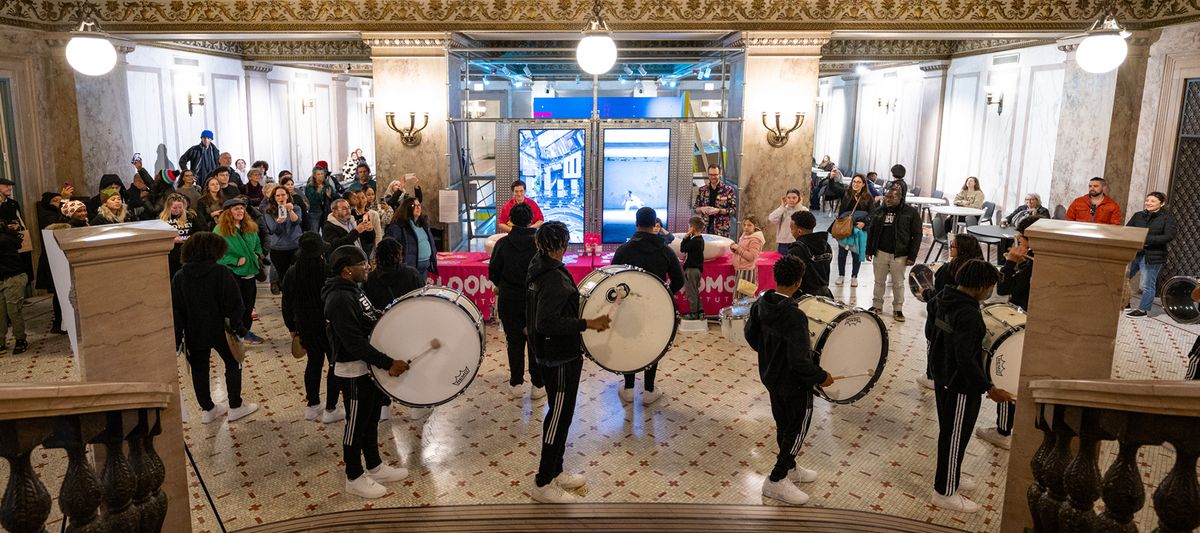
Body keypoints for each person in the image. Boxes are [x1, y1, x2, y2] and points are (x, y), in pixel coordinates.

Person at [525, 221, 611, 503]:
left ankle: (557, 470)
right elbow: (546, 322)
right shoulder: (552, 277)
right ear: (561, 245)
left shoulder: (539, 265)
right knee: (558, 418)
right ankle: (542, 481)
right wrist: (588, 323)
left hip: (553, 355)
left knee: (559, 415)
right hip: (559, 357)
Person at [744, 255, 835, 506]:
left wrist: (770, 356)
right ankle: (777, 479)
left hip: (771, 377)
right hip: (794, 384)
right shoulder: (794, 316)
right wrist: (821, 377)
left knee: (783, 424)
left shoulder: (761, 303)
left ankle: (791, 467)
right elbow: (799, 361)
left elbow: (751, 337)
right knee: (796, 429)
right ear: (798, 282)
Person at [322, 245, 411, 499]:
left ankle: (374, 466)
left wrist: (390, 318)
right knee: (356, 425)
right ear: (347, 270)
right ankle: (354, 476)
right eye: (363, 264)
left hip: (366, 368)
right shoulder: (339, 299)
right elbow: (354, 342)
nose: (368, 267)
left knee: (371, 418)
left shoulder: (353, 290)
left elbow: (368, 318)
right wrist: (387, 362)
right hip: (352, 370)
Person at [928, 259, 1013, 513]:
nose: (990, 292)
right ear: (980, 287)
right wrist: (988, 387)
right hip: (959, 386)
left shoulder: (945, 297)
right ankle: (944, 491)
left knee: (952, 433)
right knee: (955, 436)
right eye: (989, 287)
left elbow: (934, 330)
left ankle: (951, 475)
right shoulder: (968, 313)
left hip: (944, 377)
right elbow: (965, 357)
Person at [171, 232, 257, 424]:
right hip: (222, 330)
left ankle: (208, 410)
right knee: (233, 362)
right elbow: (235, 304)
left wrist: (178, 338)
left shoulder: (180, 276)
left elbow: (176, 310)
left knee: (199, 369)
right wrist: (238, 328)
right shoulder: (220, 272)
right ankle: (235, 406)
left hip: (194, 331)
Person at [612, 207, 684, 405]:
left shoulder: (624, 250)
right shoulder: (665, 250)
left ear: (636, 224)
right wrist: (665, 293)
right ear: (655, 226)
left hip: (629, 308)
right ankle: (649, 390)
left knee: (629, 344)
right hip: (656, 308)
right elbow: (679, 279)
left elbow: (613, 279)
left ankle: (628, 388)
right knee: (653, 345)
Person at [281, 232, 344, 424]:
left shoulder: (292, 271)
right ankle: (331, 409)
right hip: (327, 325)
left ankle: (312, 405)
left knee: (313, 363)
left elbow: (286, 303)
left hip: (304, 325)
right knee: (334, 363)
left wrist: (291, 326)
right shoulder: (327, 270)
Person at [487, 203, 544, 400]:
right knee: (535, 341)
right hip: (535, 300)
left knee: (514, 342)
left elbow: (493, 271)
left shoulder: (502, 244)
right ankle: (538, 385)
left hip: (509, 299)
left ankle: (516, 383)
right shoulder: (539, 244)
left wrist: (502, 284)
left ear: (511, 221)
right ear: (530, 221)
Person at [917, 233, 984, 391]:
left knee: (935, 346)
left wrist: (925, 293)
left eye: (953, 246)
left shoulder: (948, 269)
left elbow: (939, 296)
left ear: (962, 249)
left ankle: (931, 376)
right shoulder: (978, 268)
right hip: (964, 318)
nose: (950, 248)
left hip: (942, 318)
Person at [866, 181, 922, 322]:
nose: (888, 200)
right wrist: (869, 250)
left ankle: (898, 309)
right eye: (886, 197)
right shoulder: (879, 211)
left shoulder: (910, 213)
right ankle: (876, 305)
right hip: (880, 252)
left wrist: (912, 256)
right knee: (879, 281)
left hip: (900, 254)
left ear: (900, 198)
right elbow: (872, 231)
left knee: (898, 283)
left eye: (892, 197)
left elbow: (917, 235)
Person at [214, 198, 265, 346]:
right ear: (228, 212)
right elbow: (216, 254)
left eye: (242, 209)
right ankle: (239, 332)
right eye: (236, 209)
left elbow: (257, 244)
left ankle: (244, 332)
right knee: (237, 307)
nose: (240, 211)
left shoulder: (249, 226)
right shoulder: (220, 230)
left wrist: (257, 254)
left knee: (249, 306)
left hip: (251, 272)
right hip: (233, 273)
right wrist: (234, 261)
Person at [1125, 192, 1178, 317]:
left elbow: (1169, 236)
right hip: (1136, 252)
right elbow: (1128, 230)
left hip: (1154, 255)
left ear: (1162, 203)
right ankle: (1125, 302)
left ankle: (1143, 309)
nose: (1148, 203)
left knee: (1147, 284)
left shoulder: (1167, 218)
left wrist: (1147, 240)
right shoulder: (1138, 215)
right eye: (1147, 200)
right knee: (1125, 279)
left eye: (1153, 201)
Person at [385, 197, 438, 280]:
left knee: (421, 291)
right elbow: (389, 245)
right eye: (414, 205)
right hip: (410, 267)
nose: (418, 207)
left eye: (419, 205)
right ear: (407, 208)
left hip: (425, 266)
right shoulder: (399, 226)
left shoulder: (423, 224)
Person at [834, 174, 874, 287]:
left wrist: (865, 222)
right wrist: (831, 178)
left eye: (858, 182)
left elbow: (872, 213)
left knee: (856, 254)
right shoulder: (846, 193)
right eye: (854, 181)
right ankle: (841, 275)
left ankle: (854, 276)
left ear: (863, 184)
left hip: (859, 229)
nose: (855, 184)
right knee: (842, 253)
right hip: (845, 228)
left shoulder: (868, 197)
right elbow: (833, 189)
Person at [263, 185, 303, 294]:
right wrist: (279, 221)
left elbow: (297, 222)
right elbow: (273, 229)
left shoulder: (296, 208)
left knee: (297, 276)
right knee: (284, 277)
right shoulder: (269, 211)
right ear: (274, 198)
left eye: (283, 195)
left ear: (287, 196)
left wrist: (290, 210)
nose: (281, 197)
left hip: (295, 246)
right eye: (278, 195)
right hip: (279, 248)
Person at [786, 211, 833, 299]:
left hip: (804, 299)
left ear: (799, 231)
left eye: (792, 229)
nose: (791, 232)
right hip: (826, 296)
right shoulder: (826, 246)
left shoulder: (796, 250)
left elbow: (791, 279)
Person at [160, 193, 203, 279]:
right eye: (174, 208)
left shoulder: (190, 216)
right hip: (171, 252)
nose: (178, 210)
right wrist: (172, 239)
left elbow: (199, 232)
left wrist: (190, 238)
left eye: (180, 207)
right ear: (168, 207)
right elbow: (159, 237)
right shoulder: (163, 219)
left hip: (188, 250)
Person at [0, 220, 27, 355]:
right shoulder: (7, 236)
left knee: (13, 311)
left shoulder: (4, 239)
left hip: (13, 277)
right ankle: (1, 342)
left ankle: (20, 339)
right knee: (2, 312)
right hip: (4, 277)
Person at [693, 164, 737, 237]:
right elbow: (695, 209)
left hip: (721, 230)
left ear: (720, 174)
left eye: (715, 174)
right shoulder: (702, 190)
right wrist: (701, 209)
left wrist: (718, 210)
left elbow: (733, 210)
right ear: (708, 174)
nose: (713, 177)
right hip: (704, 229)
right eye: (711, 175)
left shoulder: (728, 190)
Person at [730, 216, 765, 298]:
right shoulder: (745, 236)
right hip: (741, 269)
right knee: (739, 297)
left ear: (755, 226)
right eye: (744, 225)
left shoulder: (755, 240)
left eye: (749, 225)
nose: (746, 227)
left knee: (744, 298)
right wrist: (734, 249)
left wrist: (738, 248)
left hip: (747, 271)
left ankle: (748, 311)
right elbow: (743, 250)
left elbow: (751, 257)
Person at [679, 216, 705, 320]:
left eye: (689, 226)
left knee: (691, 292)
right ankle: (700, 311)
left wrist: (686, 237)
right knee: (695, 291)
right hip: (696, 269)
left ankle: (693, 313)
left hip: (691, 270)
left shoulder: (695, 241)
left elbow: (682, 248)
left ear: (692, 228)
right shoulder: (699, 240)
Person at [768, 189, 804, 255]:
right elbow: (771, 218)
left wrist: (799, 207)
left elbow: (804, 222)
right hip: (783, 243)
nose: (791, 200)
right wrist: (782, 206)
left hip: (797, 242)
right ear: (785, 198)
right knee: (783, 263)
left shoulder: (803, 210)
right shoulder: (783, 209)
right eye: (789, 198)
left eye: (794, 198)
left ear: (799, 199)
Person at [305, 166, 337, 233]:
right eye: (318, 174)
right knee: (314, 232)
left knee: (326, 232)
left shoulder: (327, 186)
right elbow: (310, 201)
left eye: (322, 174)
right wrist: (317, 192)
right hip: (314, 213)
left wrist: (329, 196)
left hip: (326, 212)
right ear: (314, 175)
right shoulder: (309, 187)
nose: (320, 176)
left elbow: (335, 197)